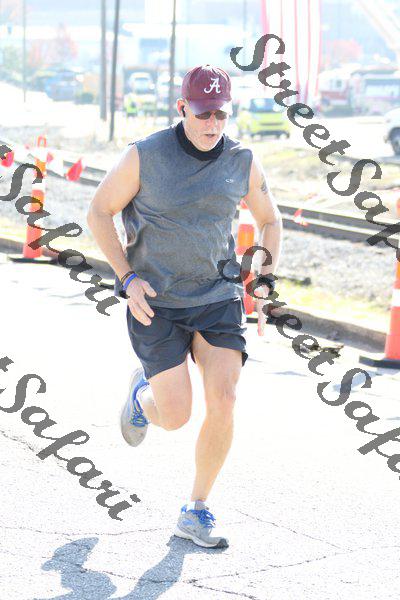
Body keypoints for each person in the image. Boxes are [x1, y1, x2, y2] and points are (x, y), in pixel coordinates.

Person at [87, 64, 282, 549]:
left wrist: (262, 280)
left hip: (217, 297)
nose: (212, 124)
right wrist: (127, 277)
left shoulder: (242, 160)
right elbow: (99, 212)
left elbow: (270, 220)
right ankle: (141, 395)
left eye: (220, 114)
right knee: (174, 416)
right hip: (156, 302)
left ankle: (196, 509)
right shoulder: (144, 155)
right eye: (202, 114)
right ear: (182, 108)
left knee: (225, 399)